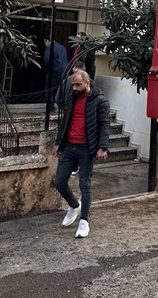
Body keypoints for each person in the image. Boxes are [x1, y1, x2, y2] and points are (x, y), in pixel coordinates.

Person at [54, 70, 110, 238]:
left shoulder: (100, 101)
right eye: (73, 85)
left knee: (84, 184)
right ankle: (73, 205)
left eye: (78, 85)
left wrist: (103, 147)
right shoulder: (72, 97)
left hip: (87, 148)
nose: (74, 88)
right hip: (69, 146)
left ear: (87, 83)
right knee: (59, 181)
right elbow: (65, 120)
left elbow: (104, 124)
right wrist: (59, 142)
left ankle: (84, 221)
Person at [43, 37, 68, 104]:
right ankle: (62, 105)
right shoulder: (62, 47)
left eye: (45, 42)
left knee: (50, 90)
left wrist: (48, 69)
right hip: (64, 71)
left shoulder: (50, 48)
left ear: (47, 41)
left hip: (54, 72)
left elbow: (47, 60)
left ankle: (50, 106)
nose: (45, 44)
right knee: (62, 89)